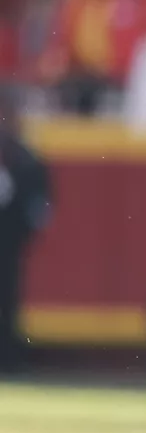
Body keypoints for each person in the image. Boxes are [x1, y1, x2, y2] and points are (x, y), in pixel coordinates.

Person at [0, 89, 52, 374]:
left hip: (9, 240)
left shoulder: (24, 157)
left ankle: (7, 358)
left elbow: (40, 200)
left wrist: (30, 225)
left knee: (8, 297)